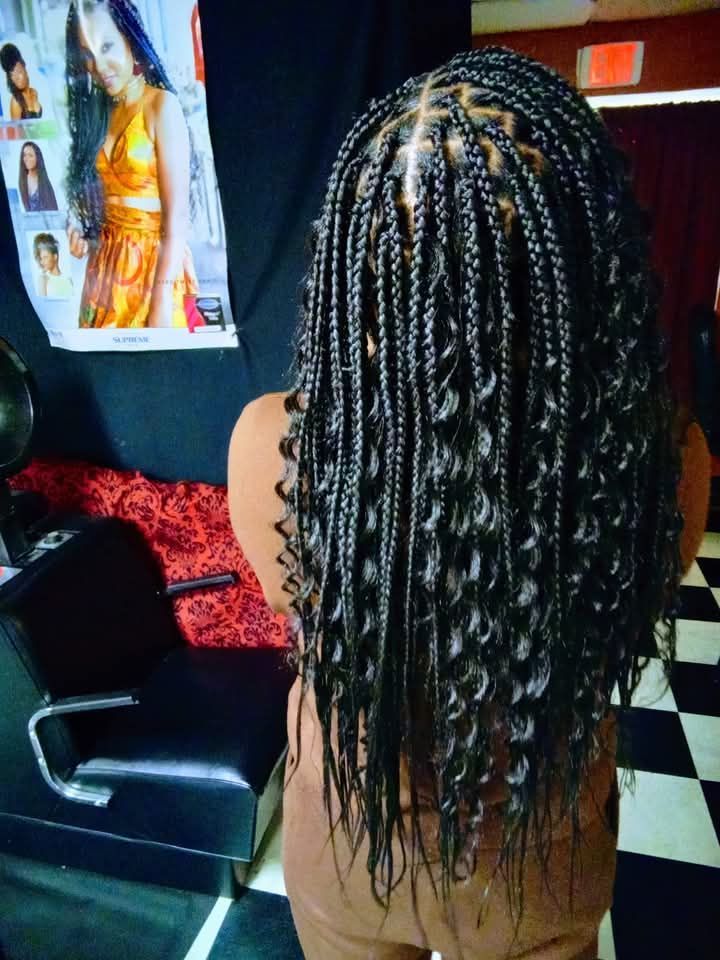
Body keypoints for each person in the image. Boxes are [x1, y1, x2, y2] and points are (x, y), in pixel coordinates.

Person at [228, 48, 683, 960]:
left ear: (358, 267)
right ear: (581, 262)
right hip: (537, 861)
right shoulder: (658, 454)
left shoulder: (274, 444)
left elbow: (294, 602)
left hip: (357, 846)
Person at [65, 0, 198, 329]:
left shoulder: (161, 106)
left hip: (156, 271)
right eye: (87, 55)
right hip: (104, 272)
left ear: (129, 37)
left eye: (106, 46)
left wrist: (162, 300)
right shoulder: (96, 116)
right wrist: (80, 230)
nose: (98, 65)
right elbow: (94, 201)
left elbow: (177, 217)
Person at [0, 43, 42, 120]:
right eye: (12, 74)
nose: (16, 78)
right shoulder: (16, 102)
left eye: (18, 71)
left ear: (24, 67)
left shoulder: (34, 92)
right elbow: (16, 131)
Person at [18, 142, 58, 212]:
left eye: (30, 155)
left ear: (38, 158)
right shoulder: (22, 181)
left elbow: (53, 207)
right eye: (24, 155)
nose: (26, 159)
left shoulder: (44, 181)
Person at [33, 233, 73, 298]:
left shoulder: (69, 280)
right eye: (41, 258)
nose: (42, 262)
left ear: (55, 256)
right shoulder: (43, 279)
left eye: (45, 257)